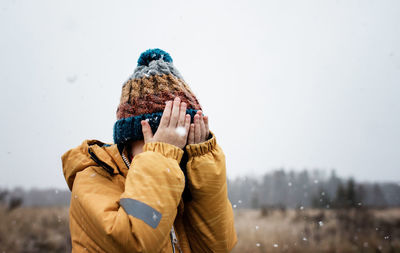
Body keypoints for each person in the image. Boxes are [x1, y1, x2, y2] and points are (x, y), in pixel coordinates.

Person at [61, 49, 237, 252]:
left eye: (185, 139)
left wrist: (202, 164)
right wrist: (160, 156)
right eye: (165, 136)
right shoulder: (94, 176)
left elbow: (217, 247)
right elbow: (134, 243)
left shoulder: (176, 179)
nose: (177, 150)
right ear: (132, 136)